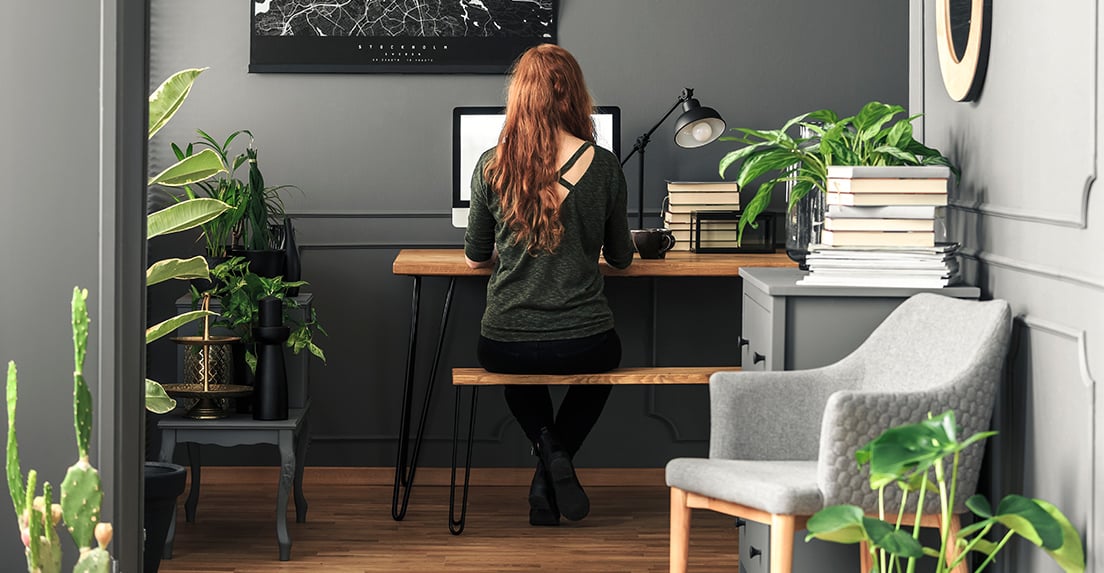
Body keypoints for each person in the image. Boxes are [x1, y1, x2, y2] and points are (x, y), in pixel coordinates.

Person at [463, 44, 634, 526]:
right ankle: (551, 467)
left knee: (516, 366)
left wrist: (511, 245)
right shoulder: (603, 165)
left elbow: (476, 257)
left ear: (519, 98)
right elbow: (621, 259)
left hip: (505, 340)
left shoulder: (490, 165)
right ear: (575, 95)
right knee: (606, 362)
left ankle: (548, 454)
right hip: (586, 341)